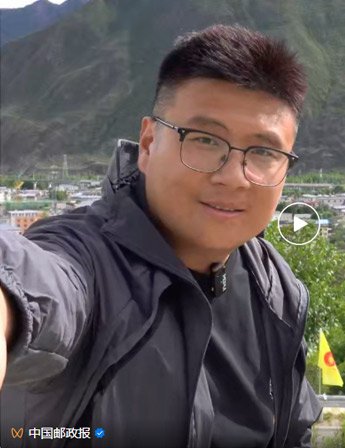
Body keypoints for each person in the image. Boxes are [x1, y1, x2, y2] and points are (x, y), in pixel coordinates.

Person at [0, 25, 322, 448]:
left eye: (263, 152)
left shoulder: (276, 290)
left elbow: (294, 432)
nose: (233, 177)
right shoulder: (91, 263)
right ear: (149, 143)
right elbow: (35, 286)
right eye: (205, 140)